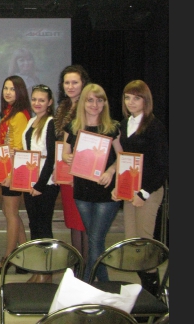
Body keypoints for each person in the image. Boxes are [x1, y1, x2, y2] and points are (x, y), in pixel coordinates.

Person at [112, 80, 168, 294]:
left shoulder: (155, 126)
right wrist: (119, 186)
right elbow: (124, 159)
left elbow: (161, 166)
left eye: (136, 98)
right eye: (127, 98)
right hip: (130, 190)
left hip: (149, 190)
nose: (131, 102)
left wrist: (143, 193)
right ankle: (146, 287)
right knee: (132, 242)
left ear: (146, 100)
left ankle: (153, 291)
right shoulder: (124, 124)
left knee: (144, 241)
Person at [62, 83, 122, 283]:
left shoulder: (112, 127)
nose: (94, 104)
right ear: (83, 103)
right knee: (94, 239)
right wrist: (69, 158)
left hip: (106, 191)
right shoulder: (73, 127)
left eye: (99, 100)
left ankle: (85, 283)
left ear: (104, 103)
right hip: (82, 192)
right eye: (90, 100)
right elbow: (64, 154)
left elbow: (122, 157)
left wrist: (111, 171)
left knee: (95, 240)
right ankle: (104, 284)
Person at [53, 65, 92, 263]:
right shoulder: (63, 107)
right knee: (73, 219)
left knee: (82, 221)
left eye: (75, 82)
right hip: (66, 171)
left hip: (83, 172)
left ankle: (85, 266)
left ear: (83, 83)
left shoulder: (88, 107)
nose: (70, 86)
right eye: (67, 82)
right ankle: (78, 262)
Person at [0, 75, 31, 275]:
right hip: (7, 169)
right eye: (5, 88)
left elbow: (19, 148)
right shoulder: (9, 112)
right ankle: (23, 256)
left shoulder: (19, 116)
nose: (8, 92)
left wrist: (11, 174)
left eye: (13, 89)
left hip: (14, 171)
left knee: (11, 214)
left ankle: (9, 257)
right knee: (11, 213)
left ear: (20, 92)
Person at [22, 84, 59, 283]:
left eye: (42, 100)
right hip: (29, 181)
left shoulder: (51, 123)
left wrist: (40, 185)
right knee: (34, 226)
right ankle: (38, 270)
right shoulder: (31, 121)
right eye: (34, 99)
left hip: (45, 184)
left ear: (49, 102)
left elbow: (51, 157)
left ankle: (47, 273)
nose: (37, 103)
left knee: (44, 227)